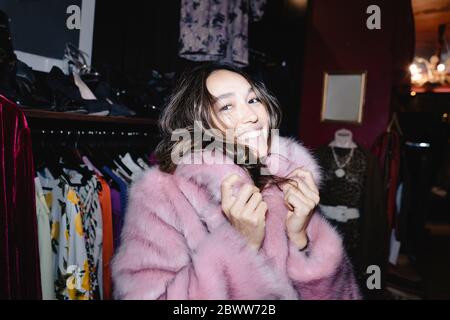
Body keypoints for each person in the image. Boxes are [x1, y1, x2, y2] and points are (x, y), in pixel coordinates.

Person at [111, 63, 361, 299]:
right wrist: (239, 244)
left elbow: (343, 294)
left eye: (253, 100)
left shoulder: (283, 184)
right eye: (227, 107)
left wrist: (300, 238)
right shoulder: (161, 194)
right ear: (197, 125)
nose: (251, 115)